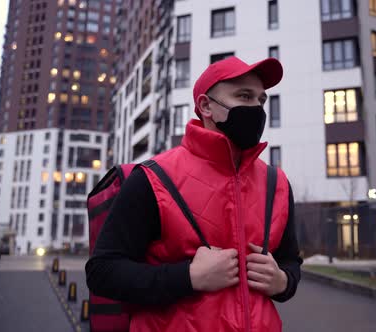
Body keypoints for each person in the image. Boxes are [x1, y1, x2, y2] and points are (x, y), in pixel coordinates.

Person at [86, 56, 302, 332]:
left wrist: (282, 282)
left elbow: (290, 261)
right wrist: (188, 276)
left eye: (261, 100)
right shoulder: (154, 178)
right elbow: (102, 272)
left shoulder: (277, 183)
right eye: (244, 96)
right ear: (205, 105)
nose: (256, 109)